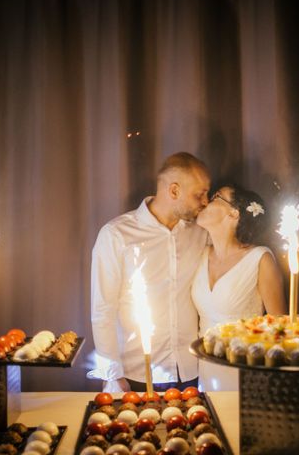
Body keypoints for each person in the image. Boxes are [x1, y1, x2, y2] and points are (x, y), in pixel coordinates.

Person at [90, 152, 210, 393]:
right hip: (135, 374)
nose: (206, 202)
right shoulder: (116, 235)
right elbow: (102, 309)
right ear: (174, 191)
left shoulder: (201, 232)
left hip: (193, 372)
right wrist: (113, 375)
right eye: (199, 194)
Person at [191, 183, 286, 391]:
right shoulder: (200, 254)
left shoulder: (260, 258)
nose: (205, 201)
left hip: (247, 372)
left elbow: (280, 326)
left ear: (234, 214)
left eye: (216, 196)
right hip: (207, 371)